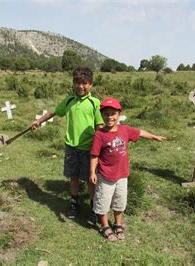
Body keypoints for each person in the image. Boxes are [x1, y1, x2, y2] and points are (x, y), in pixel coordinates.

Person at [30, 67, 103, 225]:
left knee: (91, 179)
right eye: (77, 82)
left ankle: (93, 207)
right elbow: (53, 113)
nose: (80, 86)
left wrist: (99, 148)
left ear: (91, 84)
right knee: (73, 176)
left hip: (89, 148)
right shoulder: (69, 101)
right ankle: (74, 201)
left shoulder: (95, 103)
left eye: (84, 83)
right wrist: (38, 121)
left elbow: (99, 127)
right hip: (71, 146)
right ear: (73, 83)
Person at [89, 97, 166, 241]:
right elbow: (94, 155)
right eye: (106, 114)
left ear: (119, 114)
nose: (110, 117)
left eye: (113, 113)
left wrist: (153, 137)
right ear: (102, 115)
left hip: (122, 175)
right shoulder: (99, 135)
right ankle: (105, 225)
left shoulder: (125, 130)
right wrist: (92, 172)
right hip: (105, 176)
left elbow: (140, 132)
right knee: (102, 201)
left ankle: (118, 224)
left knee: (120, 201)